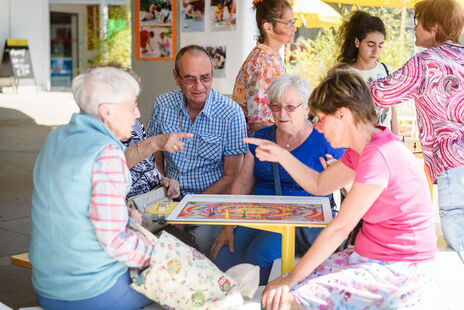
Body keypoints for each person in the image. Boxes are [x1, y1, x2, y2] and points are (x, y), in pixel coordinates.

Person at [247, 70, 436, 309]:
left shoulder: (378, 154)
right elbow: (319, 184)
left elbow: (340, 228)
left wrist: (292, 278)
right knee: (280, 291)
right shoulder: (366, 146)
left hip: (399, 268)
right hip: (371, 258)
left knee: (285, 298)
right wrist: (282, 156)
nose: (317, 128)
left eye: (322, 119)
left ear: (342, 115)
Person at [29, 67, 155, 309]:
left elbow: (70, 207)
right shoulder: (106, 153)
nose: (137, 113)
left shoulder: (57, 137)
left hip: (46, 286)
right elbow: (115, 241)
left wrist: (124, 217)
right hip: (93, 291)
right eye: (132, 106)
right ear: (106, 111)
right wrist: (159, 255)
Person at [211, 74, 345, 285]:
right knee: (224, 256)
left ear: (306, 108)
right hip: (259, 215)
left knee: (259, 253)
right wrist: (227, 226)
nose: (282, 113)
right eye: (275, 106)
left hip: (302, 222)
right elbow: (243, 183)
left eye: (290, 107)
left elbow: (348, 185)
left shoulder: (325, 140)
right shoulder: (262, 137)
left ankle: (258, 304)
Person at [370, 0, 464, 263]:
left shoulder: (427, 61)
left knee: (459, 248)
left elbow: (379, 92)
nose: (414, 28)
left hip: (454, 166)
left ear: (434, 25)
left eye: (419, 22)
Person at [146, 45, 248, 254]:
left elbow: (232, 176)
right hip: (168, 197)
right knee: (146, 242)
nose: (199, 86)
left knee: (194, 247)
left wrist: (187, 210)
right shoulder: (162, 105)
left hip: (210, 203)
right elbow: (154, 158)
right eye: (190, 78)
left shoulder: (230, 114)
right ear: (177, 77)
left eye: (206, 77)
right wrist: (163, 188)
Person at [233, 0, 296, 134]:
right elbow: (260, 122)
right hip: (259, 147)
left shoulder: (272, 57)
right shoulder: (262, 63)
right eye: (288, 23)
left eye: (293, 22)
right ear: (268, 27)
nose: (294, 28)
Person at [337, 10, 399, 135]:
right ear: (357, 42)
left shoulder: (386, 71)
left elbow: (392, 111)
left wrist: (396, 139)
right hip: (353, 147)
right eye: (371, 44)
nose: (376, 51)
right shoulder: (344, 74)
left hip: (383, 145)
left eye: (380, 45)